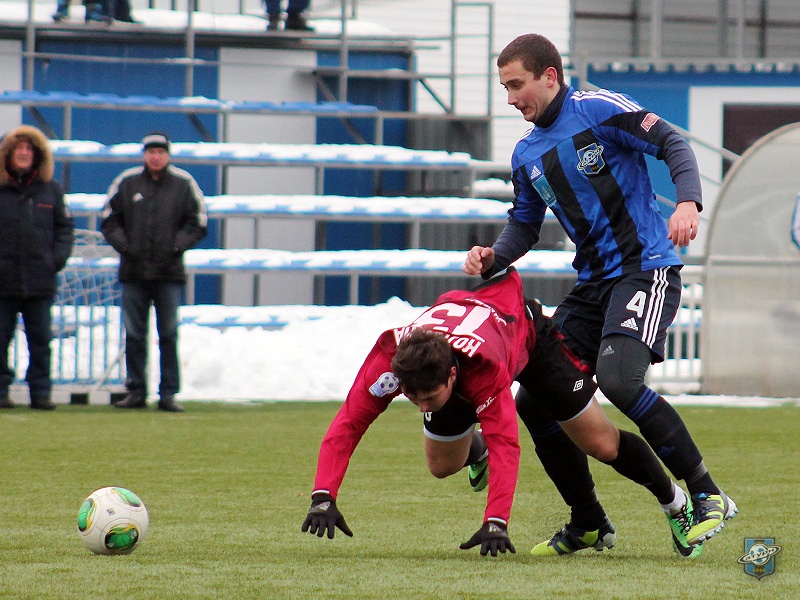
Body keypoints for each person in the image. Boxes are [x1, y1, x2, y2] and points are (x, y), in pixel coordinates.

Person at [463, 33, 737, 552]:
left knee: (618, 380)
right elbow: (525, 223)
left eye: (517, 85)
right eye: (505, 88)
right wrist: (494, 256)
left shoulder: (599, 109)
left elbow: (672, 143)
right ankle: (588, 522)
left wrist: (687, 203)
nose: (511, 98)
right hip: (592, 286)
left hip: (644, 270)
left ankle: (707, 494)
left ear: (550, 76)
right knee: (536, 400)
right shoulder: (526, 154)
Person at [301, 268, 698, 557]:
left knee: (600, 442)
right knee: (441, 466)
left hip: (528, 340)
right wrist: (323, 495)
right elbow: (348, 424)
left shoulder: (484, 371)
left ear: (452, 376)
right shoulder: (389, 361)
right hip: (474, 335)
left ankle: (676, 504)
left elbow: (507, 443)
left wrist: (496, 521)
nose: (420, 407)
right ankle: (485, 457)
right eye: (412, 397)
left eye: (429, 399)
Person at [101, 132, 207, 413]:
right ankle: (136, 390)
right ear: (144, 155)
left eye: (161, 152)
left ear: (168, 155)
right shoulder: (127, 182)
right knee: (134, 335)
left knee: (168, 335)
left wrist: (176, 245)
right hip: (134, 273)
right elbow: (109, 220)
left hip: (168, 273)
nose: (156, 157)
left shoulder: (184, 184)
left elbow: (198, 222)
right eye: (151, 152)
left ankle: (168, 394)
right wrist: (126, 246)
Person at [0, 125, 75, 410]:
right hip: (3, 281)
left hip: (40, 281)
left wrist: (54, 261)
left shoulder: (52, 190)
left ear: (38, 155)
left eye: (29, 149)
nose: (23, 153)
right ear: (8, 154)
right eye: (18, 148)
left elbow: (65, 229)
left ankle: (41, 393)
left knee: (41, 341)